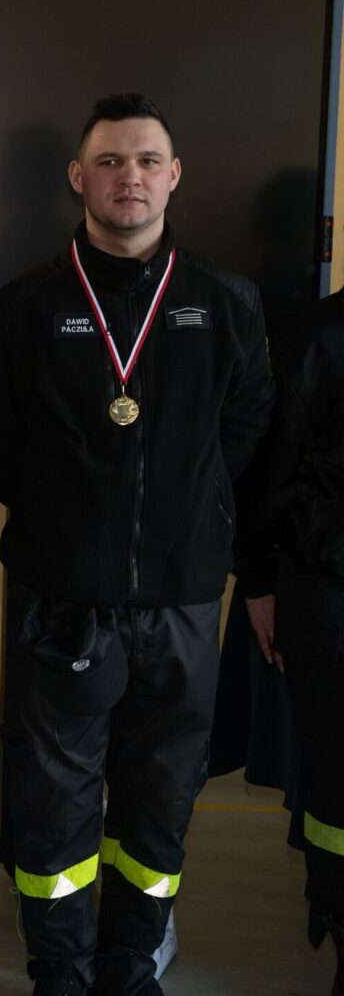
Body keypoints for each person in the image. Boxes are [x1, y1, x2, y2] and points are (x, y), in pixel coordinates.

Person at [0, 93, 273, 996]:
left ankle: (131, 962)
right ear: (78, 178)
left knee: (161, 800)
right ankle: (60, 971)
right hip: (61, 601)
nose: (127, 177)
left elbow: (247, 428)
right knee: (51, 801)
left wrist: (188, 506)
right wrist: (72, 520)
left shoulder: (227, 302)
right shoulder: (21, 307)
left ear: (173, 176)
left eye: (145, 161)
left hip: (183, 600)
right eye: (108, 161)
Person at [238, 286, 344, 995]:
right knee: (337, 790)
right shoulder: (321, 333)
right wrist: (259, 577)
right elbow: (268, 465)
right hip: (331, 593)